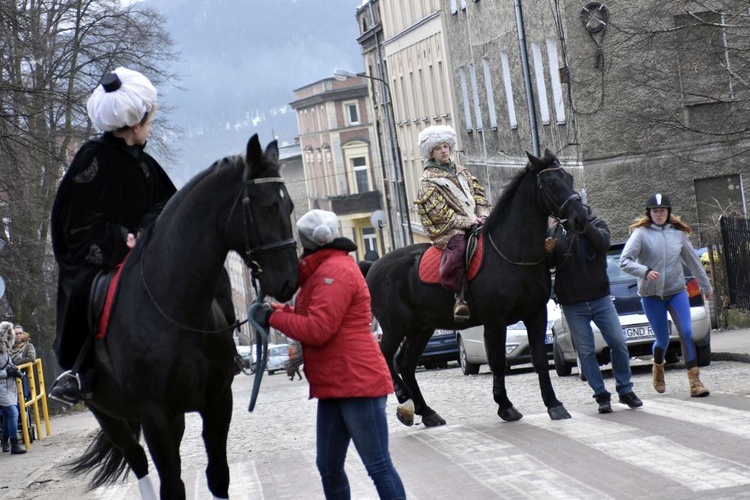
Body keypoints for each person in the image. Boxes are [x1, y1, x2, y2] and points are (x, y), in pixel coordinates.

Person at [252, 209, 405, 500]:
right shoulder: (322, 271)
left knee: (378, 465)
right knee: (329, 466)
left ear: (306, 242)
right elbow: (308, 315)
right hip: (336, 384)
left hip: (358, 382)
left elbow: (317, 328)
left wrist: (271, 319)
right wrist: (276, 311)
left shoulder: (334, 272)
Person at [49, 67, 177, 405]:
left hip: (147, 253)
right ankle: (80, 369)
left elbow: (165, 203)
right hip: (101, 257)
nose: (150, 127)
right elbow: (73, 222)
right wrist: (121, 239)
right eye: (148, 121)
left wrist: (146, 231)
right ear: (135, 125)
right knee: (86, 293)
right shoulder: (92, 159)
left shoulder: (143, 162)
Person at [545, 206, 643, 413]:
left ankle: (625, 390)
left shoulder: (596, 224)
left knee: (618, 341)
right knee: (586, 352)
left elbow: (603, 243)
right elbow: (548, 266)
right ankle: (601, 396)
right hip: (573, 304)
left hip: (601, 299)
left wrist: (584, 224)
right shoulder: (555, 233)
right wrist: (547, 252)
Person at [620, 193, 713, 397]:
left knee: (687, 333)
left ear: (668, 212)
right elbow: (624, 261)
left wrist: (706, 286)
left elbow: (694, 263)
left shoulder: (678, 235)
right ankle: (658, 367)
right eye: (655, 211)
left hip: (676, 292)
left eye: (662, 210)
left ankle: (695, 382)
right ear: (649, 213)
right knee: (662, 340)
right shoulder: (640, 234)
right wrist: (644, 271)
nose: (659, 214)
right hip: (651, 296)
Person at [414, 125, 491, 322]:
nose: (444, 150)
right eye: (439, 148)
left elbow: (479, 195)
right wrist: (469, 221)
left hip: (475, 220)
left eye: (446, 146)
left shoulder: (462, 171)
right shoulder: (428, 182)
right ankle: (460, 297)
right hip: (448, 229)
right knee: (458, 248)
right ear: (431, 152)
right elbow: (441, 214)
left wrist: (483, 214)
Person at [0, 322, 27, 454]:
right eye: (4, 335)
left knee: (6, 415)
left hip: (10, 387)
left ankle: (4, 441)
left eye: (7, 335)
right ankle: (14, 443)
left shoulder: (6, 350)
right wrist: (7, 373)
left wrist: (14, 371)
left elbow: (9, 365)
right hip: (1, 388)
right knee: (13, 413)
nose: (6, 337)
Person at [10, 324, 35, 401]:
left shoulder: (28, 346)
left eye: (20, 333)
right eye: (16, 334)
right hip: (9, 376)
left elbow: (31, 358)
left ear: (23, 334)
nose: (18, 335)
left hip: (22, 374)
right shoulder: (8, 347)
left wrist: (15, 365)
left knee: (23, 398)